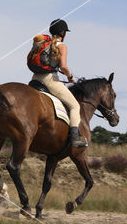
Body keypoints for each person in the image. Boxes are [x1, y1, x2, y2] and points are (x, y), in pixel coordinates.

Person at [31, 19, 88, 147]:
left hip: (35, 78)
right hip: (50, 80)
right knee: (75, 106)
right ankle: (74, 139)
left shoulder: (42, 43)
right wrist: (70, 77)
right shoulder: (61, 46)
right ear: (63, 32)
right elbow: (63, 67)